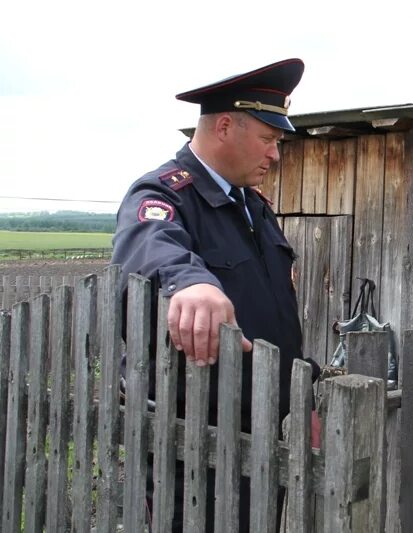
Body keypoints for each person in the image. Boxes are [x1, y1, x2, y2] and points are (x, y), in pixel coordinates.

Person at [112, 58, 318, 531]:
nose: (275, 155)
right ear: (225, 125)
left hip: (264, 431)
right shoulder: (165, 194)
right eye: (268, 140)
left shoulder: (251, 206)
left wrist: (300, 401)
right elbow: (148, 244)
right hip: (194, 443)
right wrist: (192, 281)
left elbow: (276, 320)